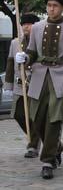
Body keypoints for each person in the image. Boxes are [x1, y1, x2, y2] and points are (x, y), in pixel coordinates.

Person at [15, 0, 63, 179]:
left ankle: (48, 161)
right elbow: (32, 54)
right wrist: (25, 57)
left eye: (55, 5)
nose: (51, 9)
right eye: (49, 5)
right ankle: (57, 146)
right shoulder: (36, 28)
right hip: (37, 77)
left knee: (54, 121)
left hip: (59, 78)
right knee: (35, 120)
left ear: (62, 7)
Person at [4, 13, 41, 158]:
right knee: (18, 114)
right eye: (24, 24)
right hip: (20, 85)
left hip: (35, 84)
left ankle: (33, 145)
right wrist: (8, 86)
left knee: (35, 116)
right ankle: (37, 138)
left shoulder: (40, 42)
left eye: (29, 24)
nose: (26, 26)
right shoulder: (15, 43)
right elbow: (10, 63)